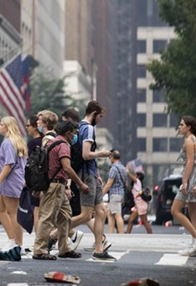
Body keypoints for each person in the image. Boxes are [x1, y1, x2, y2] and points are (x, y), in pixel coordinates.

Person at [32, 120, 89, 260]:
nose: (75, 136)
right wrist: (81, 184)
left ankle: (64, 248)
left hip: (56, 185)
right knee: (47, 217)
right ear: (68, 133)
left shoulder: (51, 142)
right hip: (55, 186)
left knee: (66, 216)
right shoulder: (63, 145)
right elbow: (67, 168)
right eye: (74, 133)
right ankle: (39, 250)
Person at [69, 101, 113, 260]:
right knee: (86, 216)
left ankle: (99, 249)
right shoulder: (87, 128)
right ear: (93, 113)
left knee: (101, 211)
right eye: (100, 116)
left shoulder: (81, 126)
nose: (101, 119)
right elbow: (86, 155)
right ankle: (54, 234)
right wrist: (102, 153)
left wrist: (98, 174)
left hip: (91, 173)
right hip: (87, 174)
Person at [0, 117, 28, 261]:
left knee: (13, 213)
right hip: (11, 181)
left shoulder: (8, 142)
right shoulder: (15, 141)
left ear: (8, 126)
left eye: (1, 124)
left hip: (10, 181)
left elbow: (9, 164)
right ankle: (12, 240)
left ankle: (18, 245)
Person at [173, 116, 196, 256]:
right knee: (194, 213)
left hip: (192, 176)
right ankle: (195, 247)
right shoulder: (194, 139)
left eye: (181, 125)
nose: (179, 127)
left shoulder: (189, 140)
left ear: (189, 127)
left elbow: (190, 162)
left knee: (175, 210)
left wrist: (185, 181)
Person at [102, 150, 126, 234]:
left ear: (112, 157)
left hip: (115, 194)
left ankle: (121, 234)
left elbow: (109, 183)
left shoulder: (114, 168)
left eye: (110, 157)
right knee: (110, 214)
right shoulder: (123, 167)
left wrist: (102, 194)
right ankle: (111, 233)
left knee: (117, 215)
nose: (109, 159)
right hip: (120, 193)